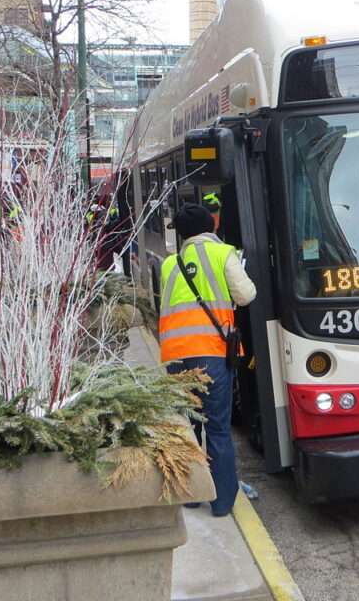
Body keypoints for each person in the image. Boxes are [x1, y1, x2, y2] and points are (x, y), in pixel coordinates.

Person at [159, 203, 256, 517]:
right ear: (211, 227)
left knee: (188, 426)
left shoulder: (169, 264)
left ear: (183, 234)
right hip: (211, 354)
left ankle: (191, 494)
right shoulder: (222, 254)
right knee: (217, 428)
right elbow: (246, 295)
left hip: (176, 357)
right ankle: (222, 501)